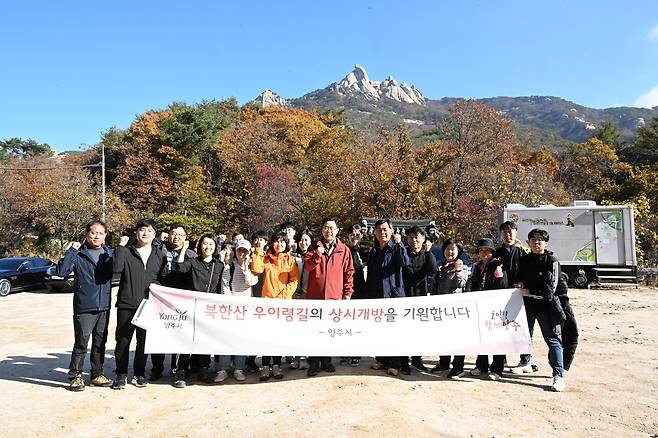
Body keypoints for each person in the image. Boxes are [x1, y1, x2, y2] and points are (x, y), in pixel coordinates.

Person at [55, 219, 114, 391]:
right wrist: (71, 250)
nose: (97, 236)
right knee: (81, 342)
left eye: (101, 233)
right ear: (86, 234)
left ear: (105, 236)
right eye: (93, 232)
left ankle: (97, 374)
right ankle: (75, 376)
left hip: (104, 305)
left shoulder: (109, 254)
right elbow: (62, 271)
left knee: (100, 342)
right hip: (84, 305)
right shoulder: (79, 254)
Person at [111, 219, 167, 389]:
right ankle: (121, 374)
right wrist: (120, 247)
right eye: (142, 230)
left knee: (143, 342)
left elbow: (163, 277)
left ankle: (139, 374)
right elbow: (116, 269)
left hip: (148, 305)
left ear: (154, 234)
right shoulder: (127, 252)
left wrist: (157, 286)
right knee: (123, 341)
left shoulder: (159, 254)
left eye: (150, 230)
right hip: (127, 303)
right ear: (136, 233)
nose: (146, 233)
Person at [171, 234, 225, 388]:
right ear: (200, 246)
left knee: (204, 339)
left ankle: (203, 369)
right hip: (190, 307)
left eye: (211, 244)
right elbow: (180, 267)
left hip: (209, 309)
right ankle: (181, 370)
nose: (208, 247)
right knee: (186, 338)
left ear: (215, 246)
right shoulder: (193, 262)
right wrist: (184, 250)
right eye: (205, 244)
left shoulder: (219, 265)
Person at [518, 228, 568, 392]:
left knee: (553, 340)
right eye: (533, 239)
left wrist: (531, 292)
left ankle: (558, 375)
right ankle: (526, 362)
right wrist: (519, 285)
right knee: (525, 337)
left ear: (546, 243)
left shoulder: (552, 261)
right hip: (526, 306)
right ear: (528, 242)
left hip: (547, 308)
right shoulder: (524, 259)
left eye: (540, 239)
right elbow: (519, 278)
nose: (536, 242)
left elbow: (552, 290)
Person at [304, 218, 354, 377]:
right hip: (315, 297)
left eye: (332, 228)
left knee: (329, 331)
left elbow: (349, 272)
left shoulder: (343, 249)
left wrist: (347, 293)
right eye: (326, 227)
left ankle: (326, 360)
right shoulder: (313, 247)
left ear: (337, 231)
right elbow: (308, 266)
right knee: (314, 331)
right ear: (322, 230)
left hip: (334, 297)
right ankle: (313, 362)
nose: (329, 231)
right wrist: (317, 256)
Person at [150, 224, 197, 381]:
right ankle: (157, 368)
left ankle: (180, 369)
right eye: (173, 233)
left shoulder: (191, 254)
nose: (176, 237)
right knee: (159, 334)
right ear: (168, 235)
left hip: (182, 300)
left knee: (181, 335)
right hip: (160, 299)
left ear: (185, 238)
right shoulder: (158, 251)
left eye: (180, 235)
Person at [251, 230, 299, 381]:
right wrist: (258, 250)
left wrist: (284, 297)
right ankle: (265, 365)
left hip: (283, 304)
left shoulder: (290, 260)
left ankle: (277, 365)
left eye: (282, 242)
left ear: (286, 244)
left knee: (278, 335)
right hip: (267, 303)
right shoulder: (265, 258)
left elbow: (294, 280)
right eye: (277, 241)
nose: (279, 244)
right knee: (266, 335)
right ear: (272, 243)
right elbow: (256, 269)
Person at [366, 219, 410, 377]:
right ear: (375, 232)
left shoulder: (396, 248)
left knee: (394, 331)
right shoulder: (374, 250)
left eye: (385, 229)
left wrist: (400, 245)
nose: (382, 232)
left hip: (393, 295)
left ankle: (395, 363)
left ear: (391, 231)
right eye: (378, 230)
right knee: (379, 329)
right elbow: (370, 275)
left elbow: (405, 263)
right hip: (377, 295)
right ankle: (381, 359)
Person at [494, 221, 538, 375]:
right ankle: (501, 359)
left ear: (516, 233)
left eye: (511, 231)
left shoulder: (522, 253)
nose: (508, 234)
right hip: (500, 296)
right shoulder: (496, 253)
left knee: (522, 327)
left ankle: (526, 359)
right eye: (505, 232)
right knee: (501, 326)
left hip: (519, 297)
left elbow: (529, 273)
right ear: (501, 235)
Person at [216, 239, 259, 384]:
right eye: (240, 250)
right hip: (230, 308)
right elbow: (225, 285)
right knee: (226, 338)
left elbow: (251, 282)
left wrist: (246, 267)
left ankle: (239, 368)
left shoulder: (253, 267)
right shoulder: (229, 267)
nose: (242, 253)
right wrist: (231, 303)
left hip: (245, 309)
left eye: (245, 251)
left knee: (241, 338)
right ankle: (223, 368)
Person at [467, 238, 508, 380]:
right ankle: (481, 365)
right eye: (481, 250)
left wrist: (499, 273)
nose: (484, 253)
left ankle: (497, 369)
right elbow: (472, 284)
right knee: (481, 337)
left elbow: (503, 286)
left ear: (492, 253)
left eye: (487, 251)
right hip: (479, 306)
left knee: (497, 338)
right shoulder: (476, 266)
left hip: (495, 308)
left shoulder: (498, 265)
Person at [401, 225, 437, 374]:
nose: (414, 240)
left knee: (418, 331)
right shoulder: (403, 252)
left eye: (417, 237)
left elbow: (433, 270)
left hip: (421, 298)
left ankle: (416, 359)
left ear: (423, 239)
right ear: (406, 239)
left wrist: (428, 252)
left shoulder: (427, 253)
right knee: (403, 332)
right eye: (410, 237)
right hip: (404, 297)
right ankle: (403, 361)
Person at [431, 238, 469, 378]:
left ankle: (458, 367)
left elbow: (460, 283)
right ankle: (444, 363)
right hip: (441, 308)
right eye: (447, 249)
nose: (450, 252)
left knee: (458, 338)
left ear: (459, 251)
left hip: (456, 310)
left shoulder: (462, 266)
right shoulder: (441, 265)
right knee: (443, 337)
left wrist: (458, 270)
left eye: (453, 249)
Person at [342, 223, 369, 367]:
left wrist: (356, 248)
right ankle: (345, 352)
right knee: (345, 322)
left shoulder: (366, 251)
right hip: (346, 290)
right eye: (352, 233)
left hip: (361, 290)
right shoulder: (343, 250)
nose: (355, 236)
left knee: (358, 324)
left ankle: (356, 353)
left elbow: (362, 266)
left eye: (357, 234)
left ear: (362, 235)